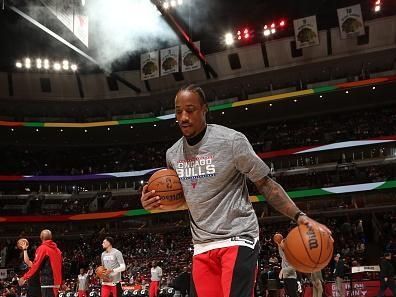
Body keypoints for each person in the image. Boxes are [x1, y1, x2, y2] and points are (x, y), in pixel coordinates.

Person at [141, 85, 332, 297]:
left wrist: (300, 216)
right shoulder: (173, 154)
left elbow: (265, 183)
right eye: (178, 111)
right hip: (202, 245)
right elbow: (189, 198)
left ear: (204, 109)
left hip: (238, 237)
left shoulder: (231, 141)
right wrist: (156, 203)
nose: (183, 117)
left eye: (190, 109)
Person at [18, 230, 62, 297]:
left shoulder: (42, 248)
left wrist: (24, 277)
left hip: (47, 283)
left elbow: (36, 265)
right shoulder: (58, 250)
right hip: (57, 283)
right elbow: (61, 267)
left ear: (41, 237)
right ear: (51, 237)